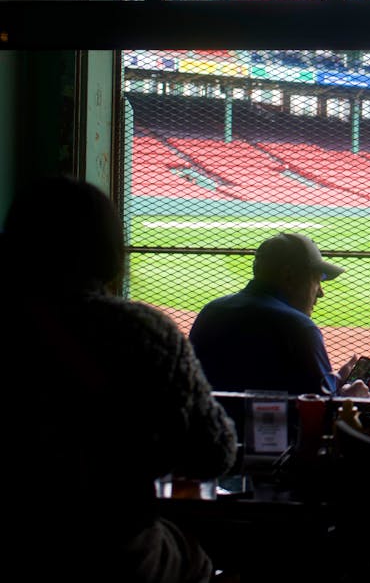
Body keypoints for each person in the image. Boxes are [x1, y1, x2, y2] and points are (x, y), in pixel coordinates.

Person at [7, 176, 237, 582]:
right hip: (108, 546)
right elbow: (212, 454)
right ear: (107, 251)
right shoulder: (143, 331)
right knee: (196, 559)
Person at [189, 233, 370, 425]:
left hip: (207, 442)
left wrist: (334, 381)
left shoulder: (212, 311)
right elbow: (322, 416)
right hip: (279, 450)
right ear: (289, 276)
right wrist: (348, 399)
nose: (321, 292)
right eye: (316, 280)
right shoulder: (299, 327)